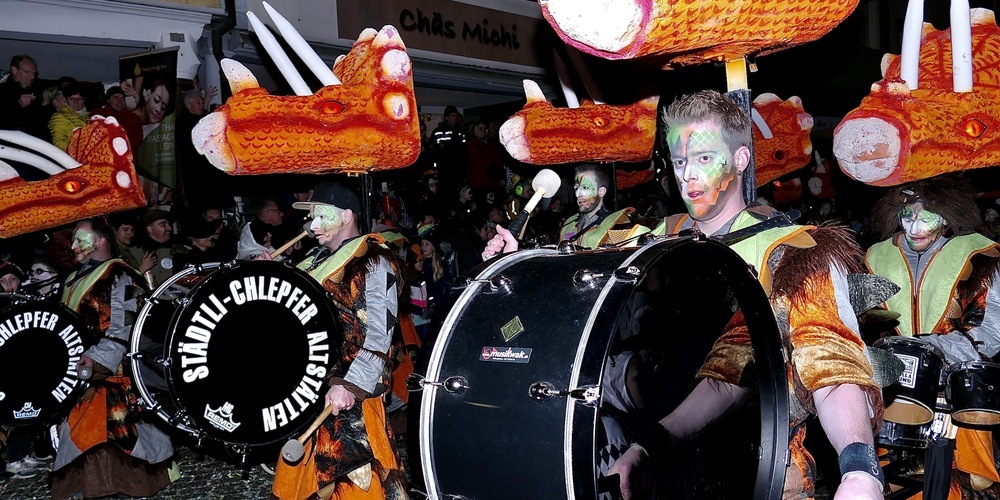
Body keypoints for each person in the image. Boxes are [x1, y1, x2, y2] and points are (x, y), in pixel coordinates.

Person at [586, 90, 882, 499]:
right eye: (679, 161)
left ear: (741, 160)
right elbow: (582, 256)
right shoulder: (658, 240)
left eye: (704, 158)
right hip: (666, 471)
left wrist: (859, 469)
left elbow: (832, 371)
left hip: (763, 473)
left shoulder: (791, 252)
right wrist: (518, 256)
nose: (688, 174)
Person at [866, 177, 1000, 498]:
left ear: (947, 215)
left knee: (964, 485)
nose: (914, 227)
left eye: (926, 217)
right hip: (893, 393)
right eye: (907, 215)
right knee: (891, 482)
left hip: (954, 392)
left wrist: (938, 350)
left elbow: (991, 332)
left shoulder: (980, 257)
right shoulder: (873, 257)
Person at [271, 181, 407, 499]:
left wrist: (350, 384)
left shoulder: (374, 262)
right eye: (312, 218)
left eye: (321, 216)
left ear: (346, 216)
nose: (312, 225)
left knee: (358, 484)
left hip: (351, 395)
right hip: (310, 388)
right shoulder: (314, 261)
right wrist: (269, 275)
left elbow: (378, 332)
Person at [51, 218, 173, 498]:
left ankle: (118, 488)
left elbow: (124, 327)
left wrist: (98, 359)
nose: (72, 246)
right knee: (84, 433)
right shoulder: (73, 278)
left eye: (79, 239)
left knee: (112, 434)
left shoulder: (120, 275)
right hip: (81, 375)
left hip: (115, 373)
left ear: (101, 241)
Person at [558, 164, 646, 249]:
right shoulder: (568, 224)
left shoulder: (618, 223)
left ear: (601, 192)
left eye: (585, 187)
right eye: (576, 188)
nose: (577, 194)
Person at [0, 55, 50, 143]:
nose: (32, 77)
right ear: (14, 70)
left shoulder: (39, 90)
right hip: (11, 145)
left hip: (37, 144)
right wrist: (18, 105)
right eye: (28, 72)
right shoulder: (3, 91)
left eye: (34, 74)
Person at [129, 208, 176, 288]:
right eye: (163, 225)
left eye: (169, 224)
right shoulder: (135, 253)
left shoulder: (177, 250)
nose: (169, 228)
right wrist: (141, 270)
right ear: (149, 229)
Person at [48, 84, 90, 151]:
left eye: (79, 99)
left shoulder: (90, 118)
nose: (75, 102)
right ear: (65, 99)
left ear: (84, 100)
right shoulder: (59, 116)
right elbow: (59, 141)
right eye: (71, 99)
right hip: (71, 158)